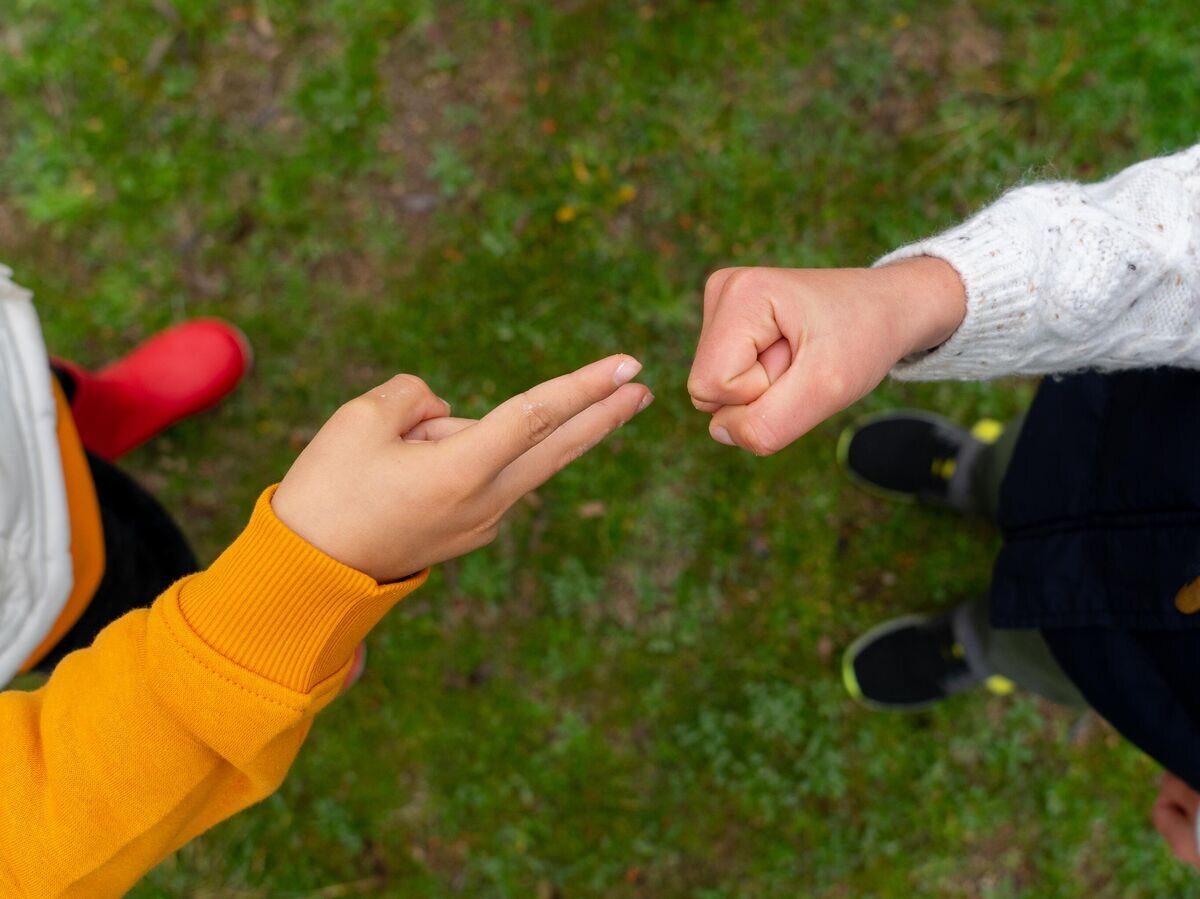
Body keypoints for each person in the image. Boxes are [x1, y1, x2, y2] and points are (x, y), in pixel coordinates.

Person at [0, 263, 653, 896]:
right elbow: (37, 834)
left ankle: (79, 412)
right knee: (135, 576)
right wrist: (288, 602)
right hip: (36, 581)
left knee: (49, 433)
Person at [687, 143, 1200, 870]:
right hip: (1123, 447)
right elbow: (1179, 239)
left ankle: (983, 644)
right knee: (1036, 469)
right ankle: (976, 471)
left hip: (1160, 671)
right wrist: (909, 301)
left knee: (1065, 651)